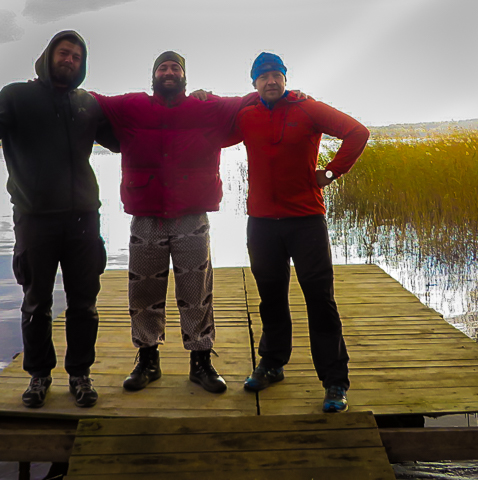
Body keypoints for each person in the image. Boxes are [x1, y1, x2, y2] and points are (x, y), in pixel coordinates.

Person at [0, 31, 119, 408]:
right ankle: (39, 375)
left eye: (77, 57)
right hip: (35, 219)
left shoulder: (88, 104)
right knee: (36, 302)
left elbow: (121, 140)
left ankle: (80, 374)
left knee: (85, 302)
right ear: (49, 56)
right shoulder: (18, 96)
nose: (70, 60)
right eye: (64, 53)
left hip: (84, 218)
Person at [92, 52, 260, 394]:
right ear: (153, 75)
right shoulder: (132, 105)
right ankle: (148, 360)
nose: (169, 72)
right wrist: (47, 86)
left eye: (175, 68)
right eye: (162, 67)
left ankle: (201, 362)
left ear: (184, 76)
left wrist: (287, 93)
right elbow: (93, 100)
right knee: (143, 290)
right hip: (146, 215)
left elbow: (247, 101)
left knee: (196, 290)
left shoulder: (204, 107)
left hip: (191, 214)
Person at [232, 52, 370, 412]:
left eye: (277, 75)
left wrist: (331, 171)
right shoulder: (246, 113)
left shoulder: (308, 109)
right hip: (261, 224)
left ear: (285, 78)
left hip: (305, 220)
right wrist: (200, 96)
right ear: (254, 83)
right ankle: (273, 363)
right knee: (271, 296)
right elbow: (210, 128)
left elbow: (357, 132)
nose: (271, 81)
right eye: (263, 77)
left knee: (319, 299)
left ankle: (335, 381)